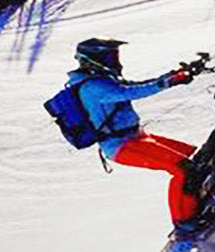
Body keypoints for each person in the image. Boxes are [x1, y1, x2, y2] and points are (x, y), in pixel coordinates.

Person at [68, 37, 205, 225]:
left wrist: (174, 75)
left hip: (137, 137)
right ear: (91, 60)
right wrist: (170, 81)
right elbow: (131, 92)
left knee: (192, 156)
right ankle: (184, 224)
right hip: (121, 145)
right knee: (183, 170)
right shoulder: (92, 87)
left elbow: (135, 85)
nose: (115, 61)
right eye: (109, 57)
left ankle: (200, 199)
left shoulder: (102, 80)